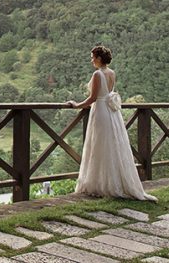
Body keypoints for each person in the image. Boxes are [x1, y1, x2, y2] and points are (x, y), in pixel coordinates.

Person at [66, 45, 157, 201]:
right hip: (112, 113)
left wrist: (76, 105)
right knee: (111, 146)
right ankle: (112, 182)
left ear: (99, 58)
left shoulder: (97, 74)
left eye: (93, 57)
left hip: (100, 111)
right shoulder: (112, 73)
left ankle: (99, 184)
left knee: (99, 146)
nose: (91, 60)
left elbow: (93, 98)